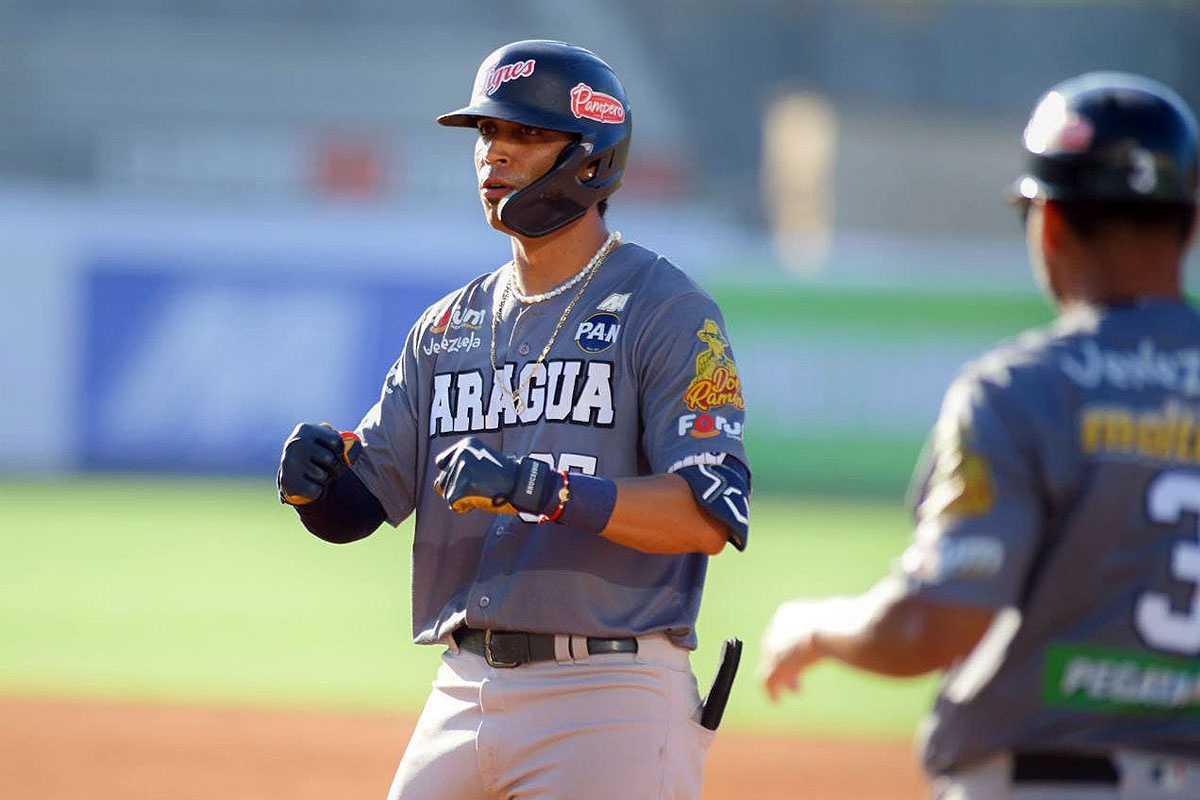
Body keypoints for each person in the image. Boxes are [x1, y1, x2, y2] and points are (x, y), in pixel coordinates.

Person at [277, 40, 750, 800]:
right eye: (487, 134)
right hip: (462, 688)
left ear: (591, 158)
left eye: (525, 135)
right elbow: (361, 506)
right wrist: (316, 485)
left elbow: (706, 514)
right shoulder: (447, 326)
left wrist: (544, 488)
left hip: (610, 694)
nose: (495, 154)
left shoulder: (666, 309)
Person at [759, 72, 1200, 799]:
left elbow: (937, 624)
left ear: (1049, 223)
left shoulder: (1019, 391)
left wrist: (816, 626)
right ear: (1189, 222)